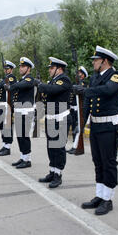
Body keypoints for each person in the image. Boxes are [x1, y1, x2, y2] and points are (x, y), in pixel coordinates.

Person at [78, 46, 118, 216]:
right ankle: (99, 194)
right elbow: (89, 102)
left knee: (108, 162)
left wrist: (87, 91)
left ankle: (108, 199)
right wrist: (81, 123)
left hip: (109, 126)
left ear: (104, 61)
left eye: (96, 60)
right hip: (96, 125)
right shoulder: (96, 78)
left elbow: (108, 90)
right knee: (98, 161)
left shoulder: (116, 75)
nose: (93, 63)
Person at [37, 57, 72, 188]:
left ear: (59, 69)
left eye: (52, 68)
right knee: (51, 147)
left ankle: (58, 174)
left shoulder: (64, 80)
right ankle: (52, 171)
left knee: (59, 148)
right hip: (51, 118)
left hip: (61, 118)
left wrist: (40, 85)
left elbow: (52, 90)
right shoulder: (53, 81)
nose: (50, 70)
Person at [5, 57, 36, 169]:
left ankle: (27, 159)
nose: (21, 68)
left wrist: (11, 87)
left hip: (26, 112)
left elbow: (20, 86)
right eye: (20, 66)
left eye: (23, 66)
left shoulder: (29, 79)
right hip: (19, 111)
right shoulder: (22, 79)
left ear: (28, 68)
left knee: (24, 136)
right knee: (19, 136)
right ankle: (23, 157)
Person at [0, 60, 17, 156]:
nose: (6, 70)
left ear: (11, 69)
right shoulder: (5, 78)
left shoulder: (11, 78)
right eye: (5, 69)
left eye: (8, 69)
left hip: (8, 105)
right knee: (2, 125)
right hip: (2, 105)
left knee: (7, 126)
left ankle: (8, 147)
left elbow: (0, 86)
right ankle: (4, 145)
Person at [67, 66, 88, 155]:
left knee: (78, 128)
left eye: (79, 73)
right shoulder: (75, 84)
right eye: (77, 73)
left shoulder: (84, 85)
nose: (78, 75)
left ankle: (77, 146)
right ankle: (74, 146)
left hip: (79, 110)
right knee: (74, 128)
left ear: (83, 75)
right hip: (73, 109)